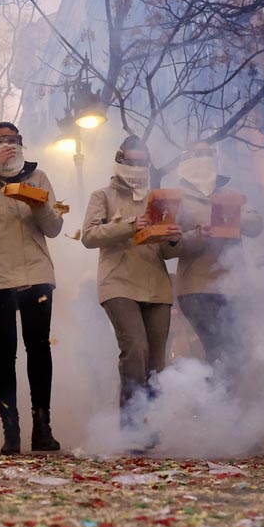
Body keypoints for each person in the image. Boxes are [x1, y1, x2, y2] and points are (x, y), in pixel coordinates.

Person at [0, 122, 64, 454]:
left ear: (22, 143)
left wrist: (39, 204)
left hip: (36, 272)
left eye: (11, 140)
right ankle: (11, 431)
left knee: (39, 348)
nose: (5, 145)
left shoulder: (39, 177)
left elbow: (54, 228)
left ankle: (43, 427)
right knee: (4, 353)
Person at [81, 136, 180, 422]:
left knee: (156, 360)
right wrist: (128, 226)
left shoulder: (158, 197)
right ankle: (131, 423)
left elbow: (166, 251)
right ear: (119, 161)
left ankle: (152, 423)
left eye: (142, 162)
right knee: (136, 348)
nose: (137, 167)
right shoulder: (103, 196)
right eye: (131, 162)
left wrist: (173, 239)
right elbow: (89, 236)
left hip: (156, 285)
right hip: (118, 282)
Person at [168, 141, 263, 389]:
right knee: (218, 347)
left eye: (207, 153)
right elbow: (169, 246)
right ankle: (215, 409)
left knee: (236, 349)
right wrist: (200, 235)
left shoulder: (230, 194)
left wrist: (230, 219)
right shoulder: (177, 197)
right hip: (196, 286)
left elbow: (255, 223)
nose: (203, 158)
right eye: (196, 154)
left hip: (232, 285)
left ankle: (223, 407)